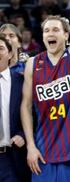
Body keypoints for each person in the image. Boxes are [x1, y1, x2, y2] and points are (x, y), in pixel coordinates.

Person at [20, 0, 70, 181]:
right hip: (42, 153)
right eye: (47, 30)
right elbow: (25, 105)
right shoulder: (33, 63)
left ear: (66, 36)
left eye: (56, 30)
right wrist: (30, 145)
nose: (51, 33)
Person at [0, 36, 30, 182]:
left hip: (12, 157)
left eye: (0, 48)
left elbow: (34, 113)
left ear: (10, 54)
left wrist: (23, 135)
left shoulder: (21, 80)